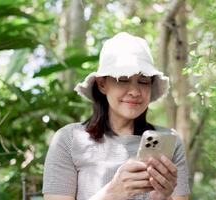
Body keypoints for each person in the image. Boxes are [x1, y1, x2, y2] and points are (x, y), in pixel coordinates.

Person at [42, 32, 190, 200]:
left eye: (143, 81)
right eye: (123, 79)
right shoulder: (68, 139)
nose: (135, 92)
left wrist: (162, 197)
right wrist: (113, 192)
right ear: (102, 84)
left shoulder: (170, 141)